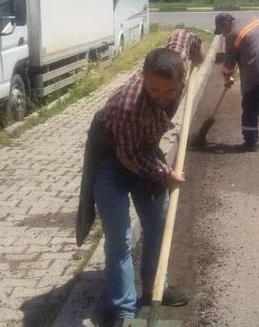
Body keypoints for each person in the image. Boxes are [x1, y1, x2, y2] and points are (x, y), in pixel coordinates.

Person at [75, 29, 203, 326]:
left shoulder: (174, 63)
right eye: (154, 90)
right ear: (144, 77)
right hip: (112, 157)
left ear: (180, 78)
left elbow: (184, 36)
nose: (161, 97)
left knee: (158, 223)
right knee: (119, 238)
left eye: (169, 91)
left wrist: (199, 53)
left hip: (142, 149)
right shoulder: (127, 105)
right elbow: (129, 158)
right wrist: (166, 173)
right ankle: (123, 310)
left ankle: (157, 287)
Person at [214, 13, 259, 152]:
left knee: (251, 108)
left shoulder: (231, 35)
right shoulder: (254, 19)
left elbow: (228, 66)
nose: (223, 35)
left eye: (221, 31)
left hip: (256, 72)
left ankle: (250, 142)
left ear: (224, 25)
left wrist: (227, 78)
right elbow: (254, 42)